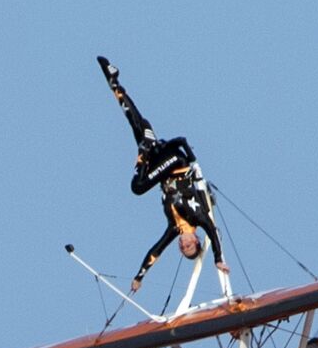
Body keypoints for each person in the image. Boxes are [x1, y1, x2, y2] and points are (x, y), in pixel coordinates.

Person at [97, 56, 229, 293]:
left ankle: (113, 80)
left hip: (162, 165)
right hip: (176, 164)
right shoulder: (199, 217)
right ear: (196, 242)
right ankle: (145, 150)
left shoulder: (173, 228)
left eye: (182, 249)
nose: (183, 245)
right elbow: (214, 232)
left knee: (135, 121)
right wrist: (218, 259)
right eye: (189, 246)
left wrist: (140, 277)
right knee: (137, 188)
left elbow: (154, 252)